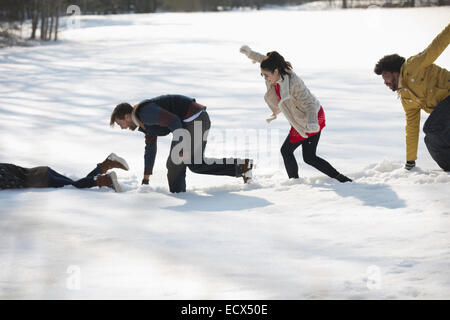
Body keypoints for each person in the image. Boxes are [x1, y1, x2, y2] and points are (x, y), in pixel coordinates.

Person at [240, 46, 352, 182]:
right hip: (300, 119)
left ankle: (296, 183)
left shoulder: (294, 83)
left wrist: (312, 123)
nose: (265, 78)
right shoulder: (277, 72)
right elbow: (264, 59)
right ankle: (341, 179)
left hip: (311, 118)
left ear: (275, 71)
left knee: (288, 151)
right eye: (263, 75)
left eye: (266, 75)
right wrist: (251, 54)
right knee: (309, 157)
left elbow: (310, 104)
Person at [110, 95, 253, 193]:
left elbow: (174, 122)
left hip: (195, 120)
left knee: (175, 163)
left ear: (127, 116)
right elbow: (150, 147)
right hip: (196, 121)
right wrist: (146, 177)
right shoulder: (142, 121)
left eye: (119, 123)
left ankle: (179, 196)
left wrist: (180, 145)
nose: (122, 127)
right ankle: (242, 167)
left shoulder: (145, 113)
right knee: (196, 164)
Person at [374, 23, 450, 171]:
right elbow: (412, 127)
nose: (385, 82)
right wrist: (410, 160)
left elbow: (438, 45)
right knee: (431, 140)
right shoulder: (406, 97)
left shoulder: (413, 66)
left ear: (396, 71)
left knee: (432, 128)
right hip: (445, 114)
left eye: (386, 77)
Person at [0, 153, 128, 192]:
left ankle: (104, 179)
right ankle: (106, 165)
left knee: (74, 186)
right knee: (76, 184)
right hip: (42, 171)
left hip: (40, 178)